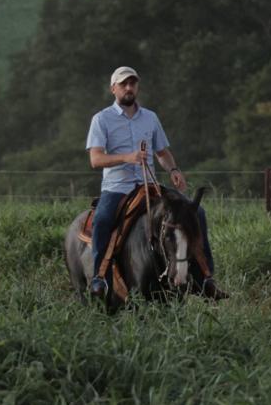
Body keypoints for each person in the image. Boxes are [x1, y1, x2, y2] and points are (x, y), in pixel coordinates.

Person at [85, 66, 223, 298]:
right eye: (123, 84)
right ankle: (101, 280)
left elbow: (162, 152)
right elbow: (95, 159)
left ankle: (204, 278)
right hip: (118, 188)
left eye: (133, 83)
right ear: (113, 89)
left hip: (150, 186)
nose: (129, 88)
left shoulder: (150, 117)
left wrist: (173, 169)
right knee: (102, 220)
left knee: (196, 213)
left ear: (137, 86)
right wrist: (127, 157)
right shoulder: (101, 119)